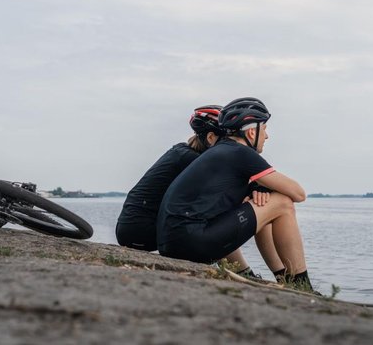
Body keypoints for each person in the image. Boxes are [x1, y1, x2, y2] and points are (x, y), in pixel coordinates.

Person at [157, 97, 315, 291]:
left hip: (173, 243)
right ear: (251, 131)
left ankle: (283, 277)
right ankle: (301, 284)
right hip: (192, 243)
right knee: (282, 202)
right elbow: (298, 193)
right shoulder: (240, 153)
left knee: (264, 203)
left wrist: (258, 194)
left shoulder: (220, 151)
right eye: (264, 129)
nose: (267, 136)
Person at [115, 105, 224, 252]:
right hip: (141, 233)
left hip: (129, 230)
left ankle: (237, 267)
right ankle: (240, 269)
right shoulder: (192, 160)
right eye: (226, 140)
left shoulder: (182, 152)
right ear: (211, 138)